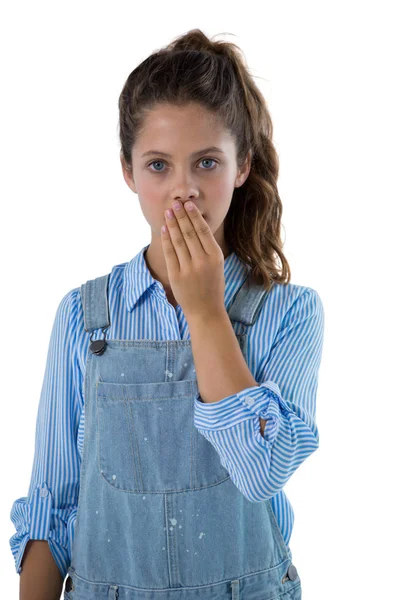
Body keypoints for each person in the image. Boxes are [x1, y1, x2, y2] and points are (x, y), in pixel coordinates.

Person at [10, 28, 324, 600]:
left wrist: (206, 312)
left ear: (243, 166)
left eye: (206, 163)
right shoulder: (85, 319)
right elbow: (52, 509)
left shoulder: (289, 312)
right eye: (158, 165)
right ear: (127, 172)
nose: (184, 193)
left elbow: (262, 472)